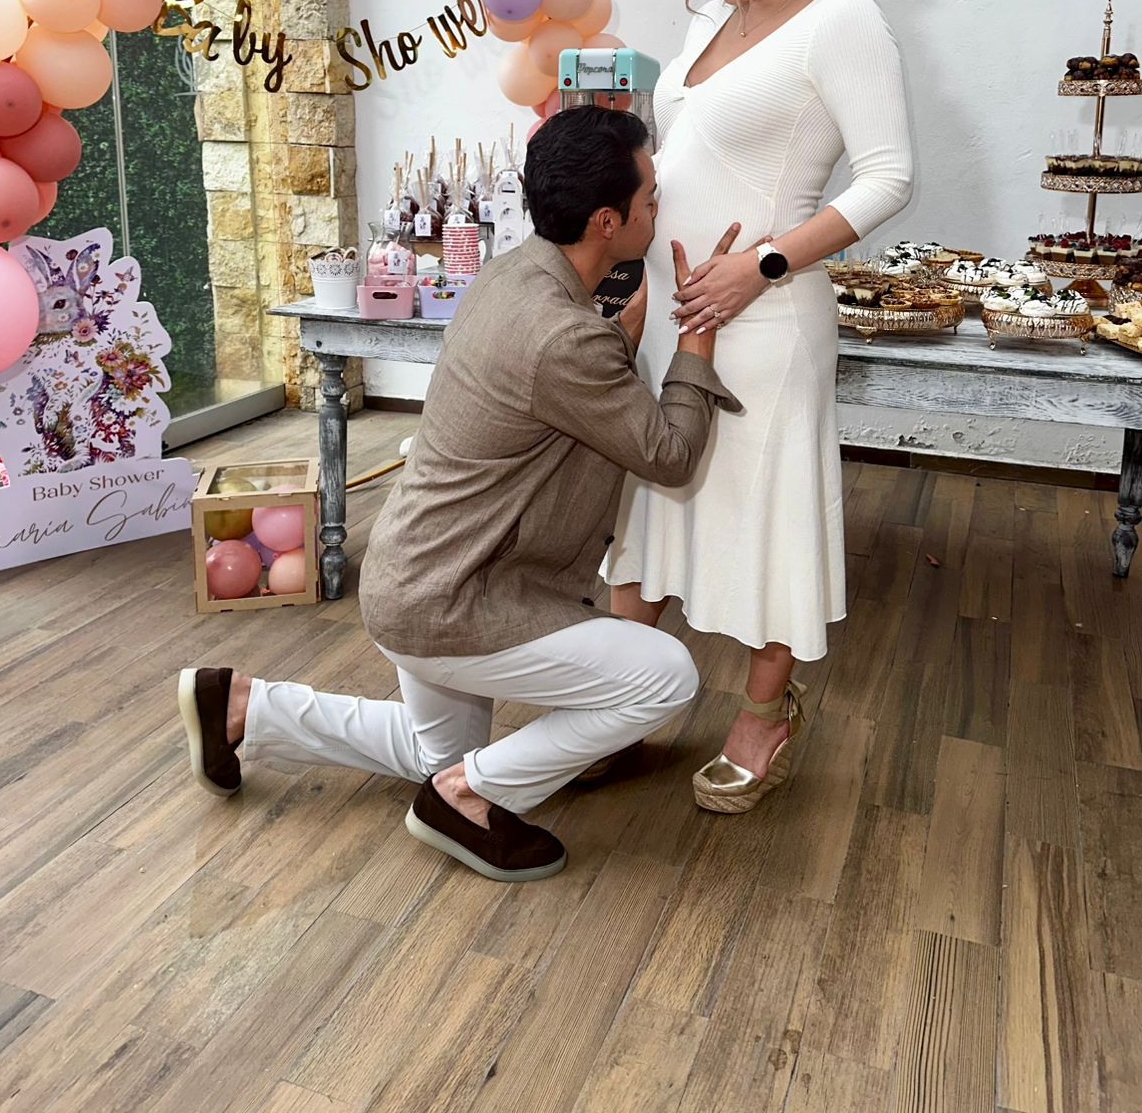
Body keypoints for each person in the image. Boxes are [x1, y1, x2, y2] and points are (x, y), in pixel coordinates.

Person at [178, 106, 741, 883]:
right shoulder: (566, 336)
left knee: (435, 752)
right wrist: (697, 341)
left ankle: (245, 707)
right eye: (650, 198)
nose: (658, 209)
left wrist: (626, 331)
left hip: (409, 578)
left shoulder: (510, 275)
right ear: (608, 222)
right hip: (454, 601)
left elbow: (562, 377)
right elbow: (670, 456)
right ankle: (469, 800)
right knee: (666, 675)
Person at [607, 0, 914, 814]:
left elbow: (889, 177)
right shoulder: (707, 21)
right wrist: (645, 292)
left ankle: (765, 715)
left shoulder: (842, 20)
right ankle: (613, 701)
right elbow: (680, 166)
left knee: (764, 520)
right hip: (673, 316)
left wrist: (764, 264)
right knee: (654, 506)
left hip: (767, 322)